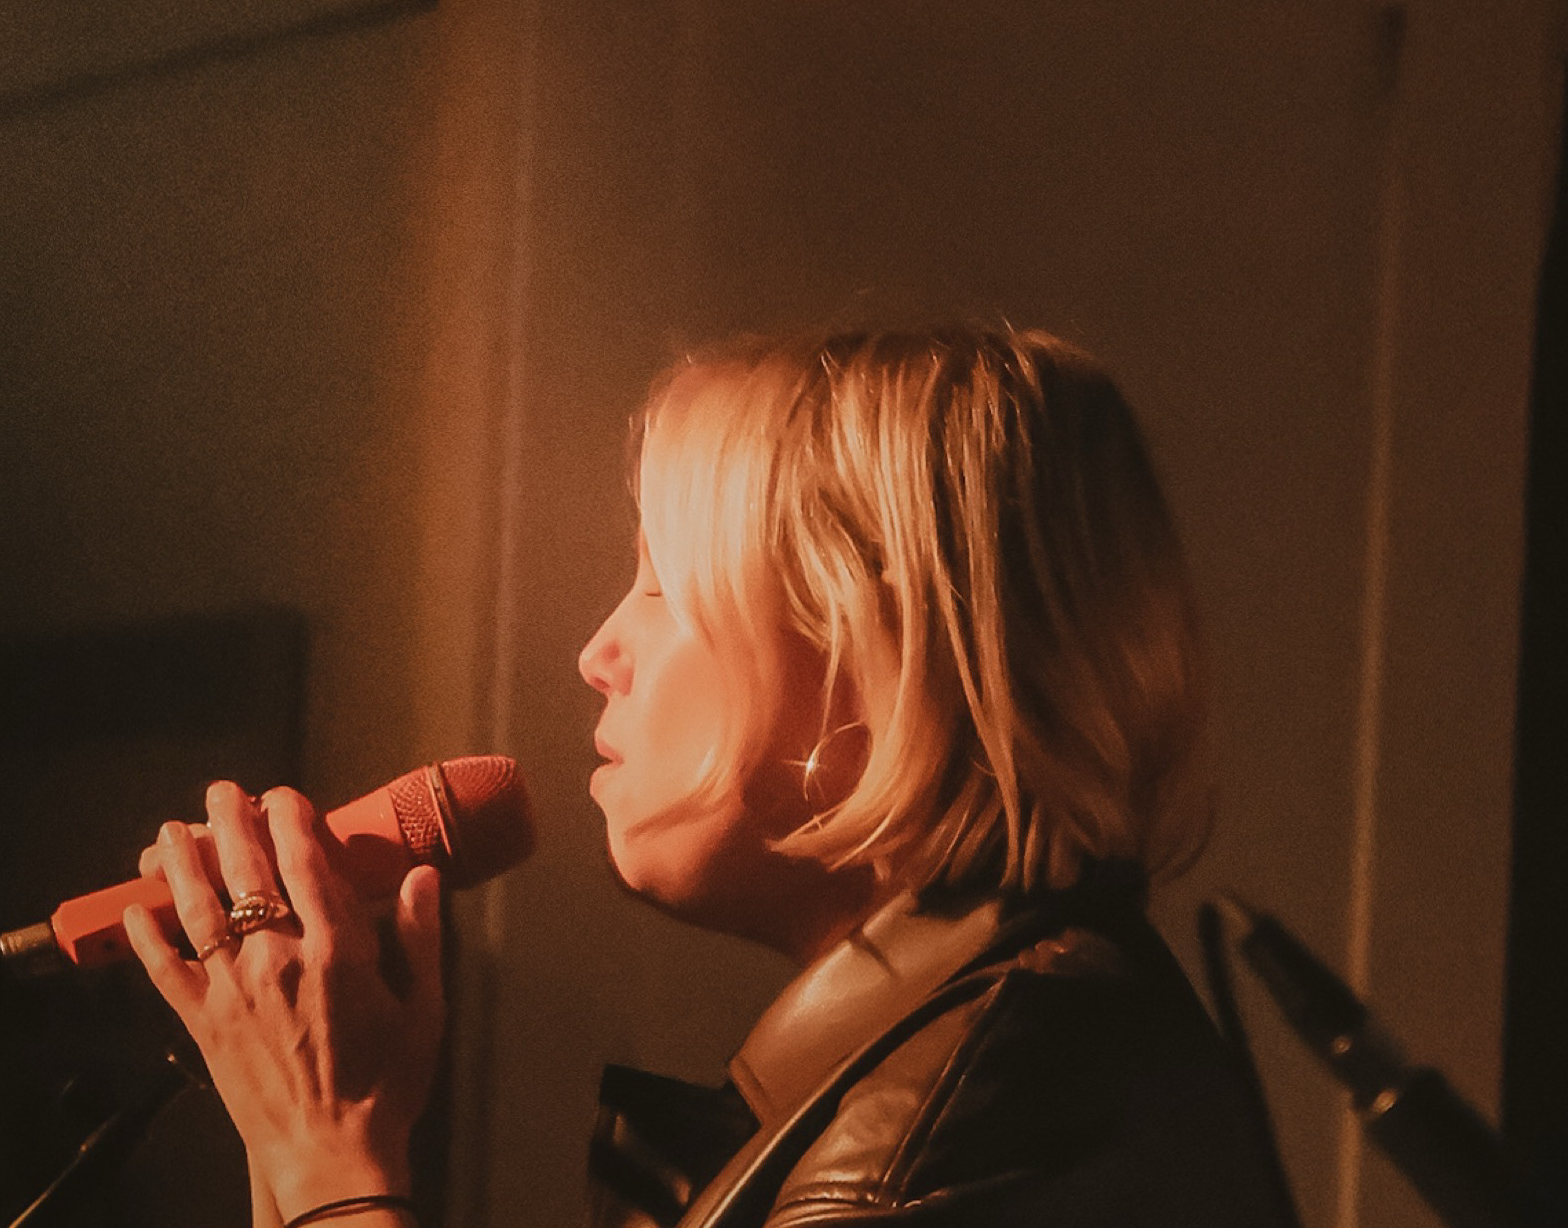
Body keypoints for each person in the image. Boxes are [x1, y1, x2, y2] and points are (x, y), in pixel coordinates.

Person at [130, 325, 1299, 1228]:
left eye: (662, 581)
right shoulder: (1001, 1055)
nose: (599, 652)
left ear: (873, 657)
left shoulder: (964, 1133)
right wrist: (296, 1129)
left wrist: (331, 1170)